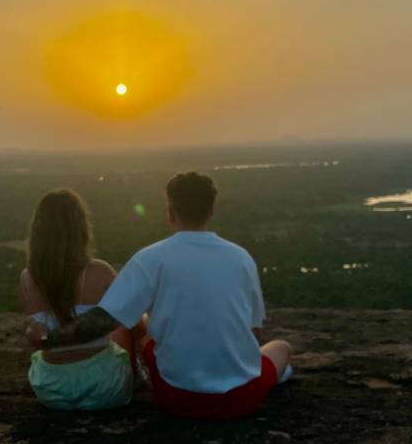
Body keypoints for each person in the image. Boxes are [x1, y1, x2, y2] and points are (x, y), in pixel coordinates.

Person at [31, 172, 293, 420]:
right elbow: (254, 332)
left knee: (140, 326)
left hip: (176, 398)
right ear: (211, 210)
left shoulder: (150, 258)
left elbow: (103, 320)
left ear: (171, 211)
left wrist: (49, 338)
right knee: (281, 347)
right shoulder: (241, 258)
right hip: (240, 401)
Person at [21, 189, 137, 410]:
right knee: (127, 323)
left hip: (51, 389)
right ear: (81, 228)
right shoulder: (101, 272)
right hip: (104, 386)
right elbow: (124, 320)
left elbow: (37, 333)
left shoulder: (27, 278)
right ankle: (136, 377)